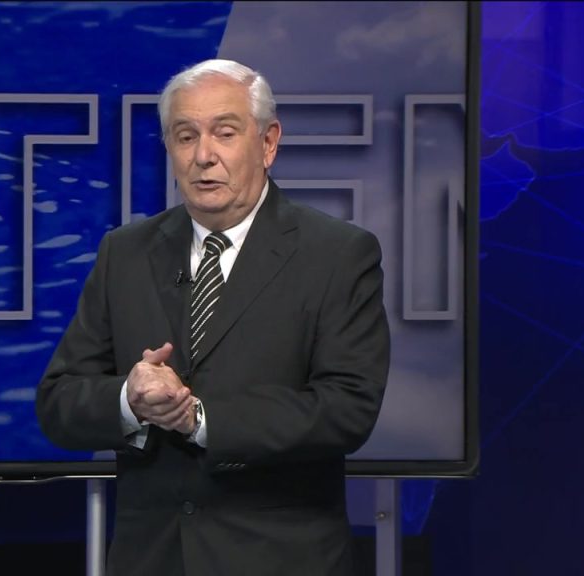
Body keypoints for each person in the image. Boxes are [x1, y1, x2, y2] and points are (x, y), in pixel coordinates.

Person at [36, 59, 390, 576]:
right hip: (152, 559)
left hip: (280, 561)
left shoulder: (337, 255)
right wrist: (129, 400)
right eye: (186, 136)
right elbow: (58, 401)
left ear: (268, 143)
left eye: (225, 133)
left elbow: (347, 408)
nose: (204, 155)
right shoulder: (125, 253)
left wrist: (201, 419)